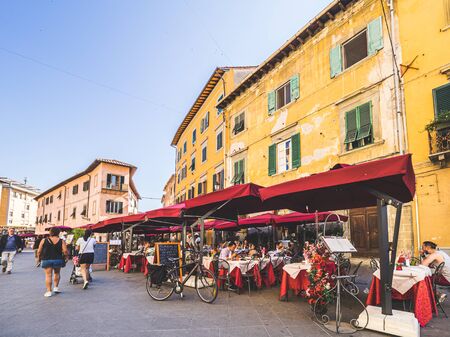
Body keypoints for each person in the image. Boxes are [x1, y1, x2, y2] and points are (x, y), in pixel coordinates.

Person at [37, 227, 69, 297]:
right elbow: (65, 251)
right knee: (57, 273)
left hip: (46, 259)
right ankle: (56, 288)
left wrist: (38, 259)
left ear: (50, 232)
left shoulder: (44, 240)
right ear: (58, 233)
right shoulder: (61, 241)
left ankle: (48, 291)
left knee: (48, 275)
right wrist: (67, 257)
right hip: (58, 259)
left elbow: (39, 251)